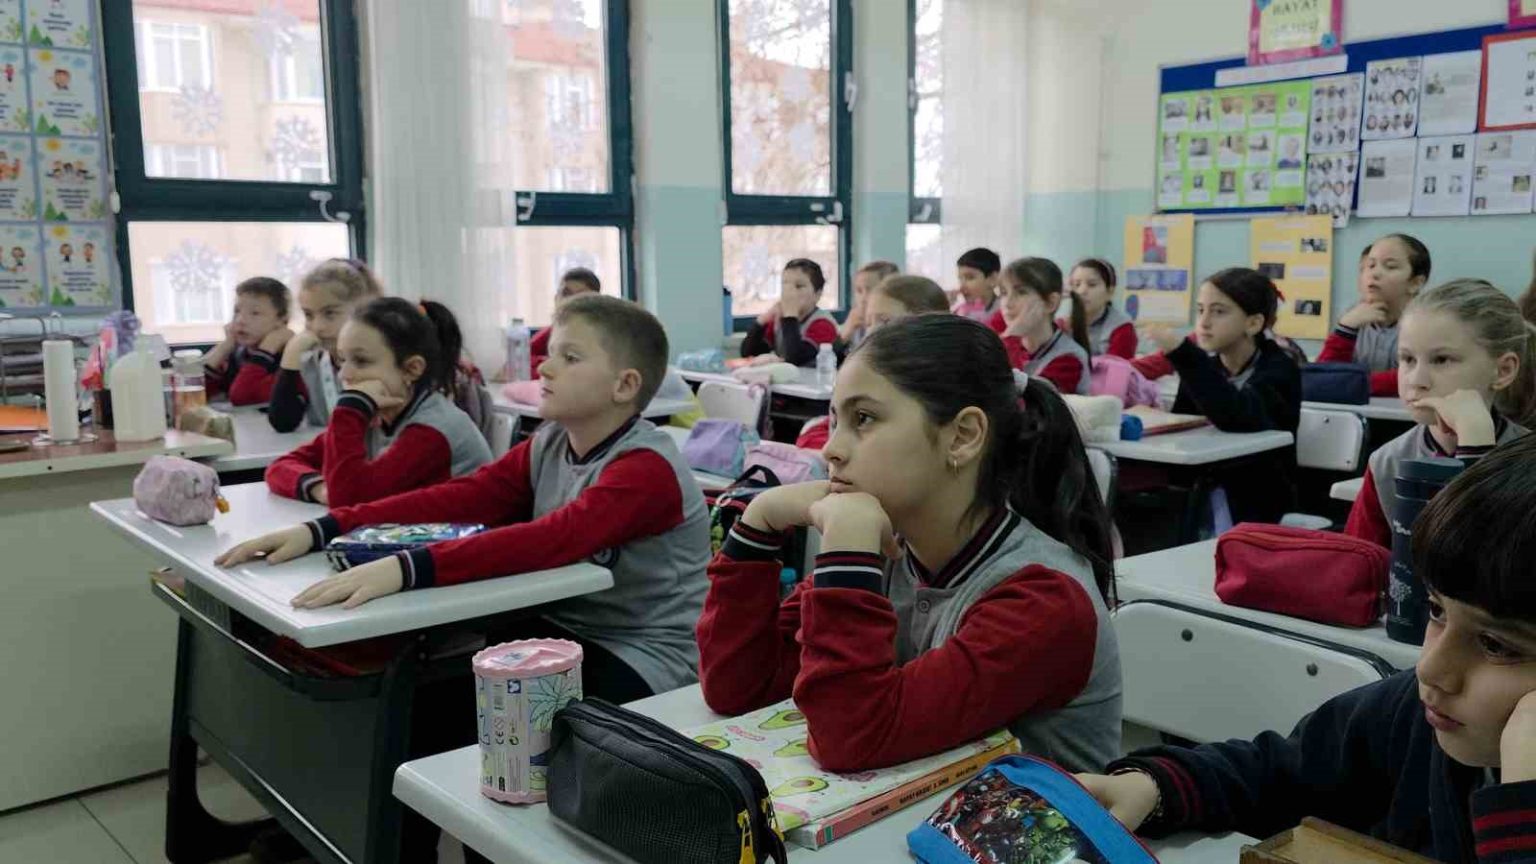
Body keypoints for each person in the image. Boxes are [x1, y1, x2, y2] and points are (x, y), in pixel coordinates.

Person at [219, 295, 709, 703]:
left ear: (625, 385)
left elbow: (548, 540)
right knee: (421, 700)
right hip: (557, 628)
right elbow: (462, 498)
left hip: (645, 654)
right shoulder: (551, 442)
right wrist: (323, 529)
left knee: (460, 711)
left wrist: (405, 568)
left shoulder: (645, 469)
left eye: (570, 358)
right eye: (551, 353)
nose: (545, 366)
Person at [1074, 432, 1536, 864]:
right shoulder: (1411, 714)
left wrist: (1522, 812)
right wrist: (1154, 788)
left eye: (1494, 644)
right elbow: (1277, 773)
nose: (1430, 668)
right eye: (1436, 610)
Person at [697, 315, 1122, 772]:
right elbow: (736, 686)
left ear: (963, 436)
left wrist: (845, 554)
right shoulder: (891, 553)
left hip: (1039, 819)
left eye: (863, 419)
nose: (830, 449)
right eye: (835, 420)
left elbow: (848, 738)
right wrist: (758, 524)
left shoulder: (1044, 600)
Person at [1345, 279, 1535, 548]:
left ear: (1503, 371)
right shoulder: (1387, 461)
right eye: (1407, 359)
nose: (1416, 380)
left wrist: (1475, 449)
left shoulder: (1528, 461)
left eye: (1442, 360)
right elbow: (1360, 563)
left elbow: (1486, 561)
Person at [264, 298, 493, 508]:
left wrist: (349, 410)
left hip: (461, 538)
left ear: (411, 369)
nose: (344, 374)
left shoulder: (432, 430)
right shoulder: (376, 417)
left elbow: (350, 500)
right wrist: (321, 489)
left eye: (361, 361)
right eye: (342, 360)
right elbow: (280, 466)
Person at [1141, 268, 1301, 525]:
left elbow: (1237, 416)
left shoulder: (1279, 369)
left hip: (1258, 499)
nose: (1204, 322)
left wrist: (1183, 354)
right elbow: (1183, 425)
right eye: (1200, 310)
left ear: (1253, 323)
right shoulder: (1207, 368)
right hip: (1204, 485)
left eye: (1218, 312)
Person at [795, 275, 950, 450]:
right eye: (869, 323)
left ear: (926, 327)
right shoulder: (872, 373)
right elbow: (839, 425)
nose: (872, 332)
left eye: (885, 321)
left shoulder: (931, 390)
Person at [268, 258, 385, 432]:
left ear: (365, 310)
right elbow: (283, 422)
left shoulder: (386, 363)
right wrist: (290, 358)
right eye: (308, 315)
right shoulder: (312, 363)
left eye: (330, 313)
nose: (317, 327)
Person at [1317, 234, 1432, 397]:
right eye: (1370, 265)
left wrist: (1349, 384)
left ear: (1415, 283)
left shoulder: (1429, 324)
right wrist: (1345, 330)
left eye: (1390, 266)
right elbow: (1323, 377)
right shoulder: (1351, 318)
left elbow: (1412, 378)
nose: (1374, 273)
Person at [998, 257, 1091, 395]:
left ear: (1050, 303)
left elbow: (1019, 401)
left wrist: (1011, 337)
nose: (1007, 303)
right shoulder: (1015, 345)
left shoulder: (1069, 359)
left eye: (1021, 292)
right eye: (1004, 293)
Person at [203, 277, 294, 405]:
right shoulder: (238, 353)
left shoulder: (291, 360)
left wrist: (267, 349)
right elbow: (193, 392)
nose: (240, 320)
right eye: (237, 311)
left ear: (282, 320)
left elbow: (242, 396)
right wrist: (224, 347)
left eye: (255, 313)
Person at [741, 258, 840, 367]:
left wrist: (790, 316)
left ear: (817, 294)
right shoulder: (780, 320)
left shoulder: (823, 324)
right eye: (785, 285)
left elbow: (795, 358)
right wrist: (762, 320)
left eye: (799, 286)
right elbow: (748, 353)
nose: (790, 293)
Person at [530, 267, 600, 372]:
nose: (570, 301)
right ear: (556, 298)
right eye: (566, 294)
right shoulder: (553, 332)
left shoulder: (602, 335)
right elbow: (522, 360)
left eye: (580, 297)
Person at [1067, 258, 1137, 359]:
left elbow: (1116, 367)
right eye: (1077, 285)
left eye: (1092, 285)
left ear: (1110, 292)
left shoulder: (1122, 328)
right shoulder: (1063, 325)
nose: (1082, 291)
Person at [839, 260, 899, 349]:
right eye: (859, 290)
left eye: (870, 290)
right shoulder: (855, 322)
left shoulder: (897, 325)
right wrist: (844, 335)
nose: (863, 298)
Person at [951, 247, 1003, 323]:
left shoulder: (1005, 311)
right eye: (960, 279)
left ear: (992, 279)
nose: (962, 286)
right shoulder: (960, 311)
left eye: (970, 278)